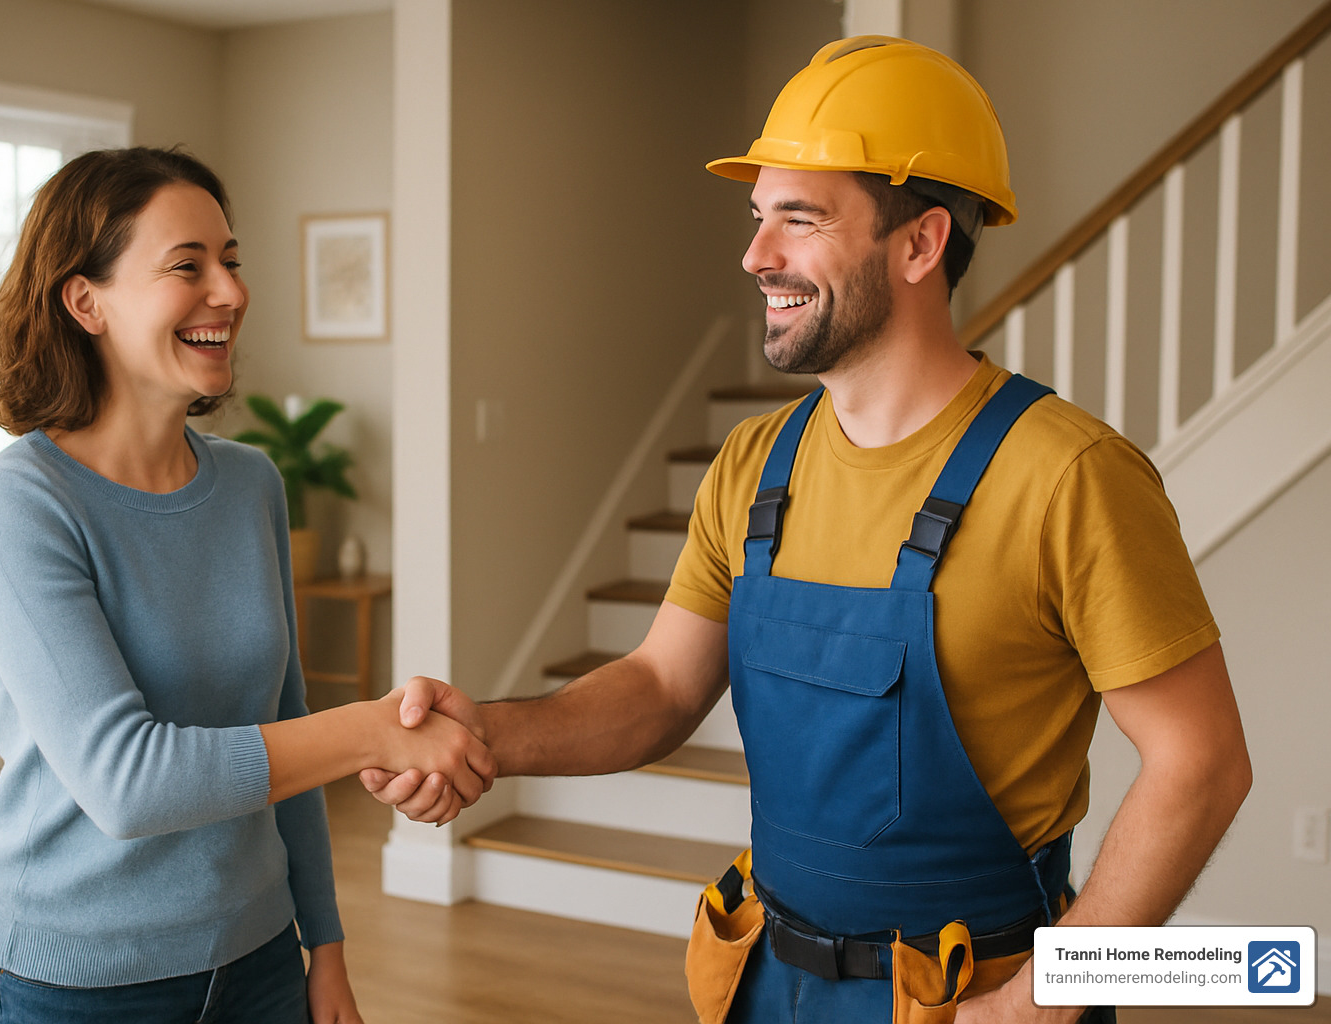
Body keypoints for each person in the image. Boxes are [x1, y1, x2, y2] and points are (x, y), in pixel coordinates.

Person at [361, 37, 1252, 1024]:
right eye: (757, 217)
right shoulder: (755, 465)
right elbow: (661, 687)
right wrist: (491, 733)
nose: (755, 255)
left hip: (975, 994)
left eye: (801, 218)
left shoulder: (1069, 476)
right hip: (765, 979)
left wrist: (1039, 1002)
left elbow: (1202, 762)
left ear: (920, 244)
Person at [0, 146, 494, 1024]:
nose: (232, 293)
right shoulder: (15, 506)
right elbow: (130, 785)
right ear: (85, 301)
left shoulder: (250, 485)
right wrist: (375, 732)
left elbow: (284, 726)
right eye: (187, 266)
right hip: (74, 990)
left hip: (261, 965)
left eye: (232, 262)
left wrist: (325, 949)